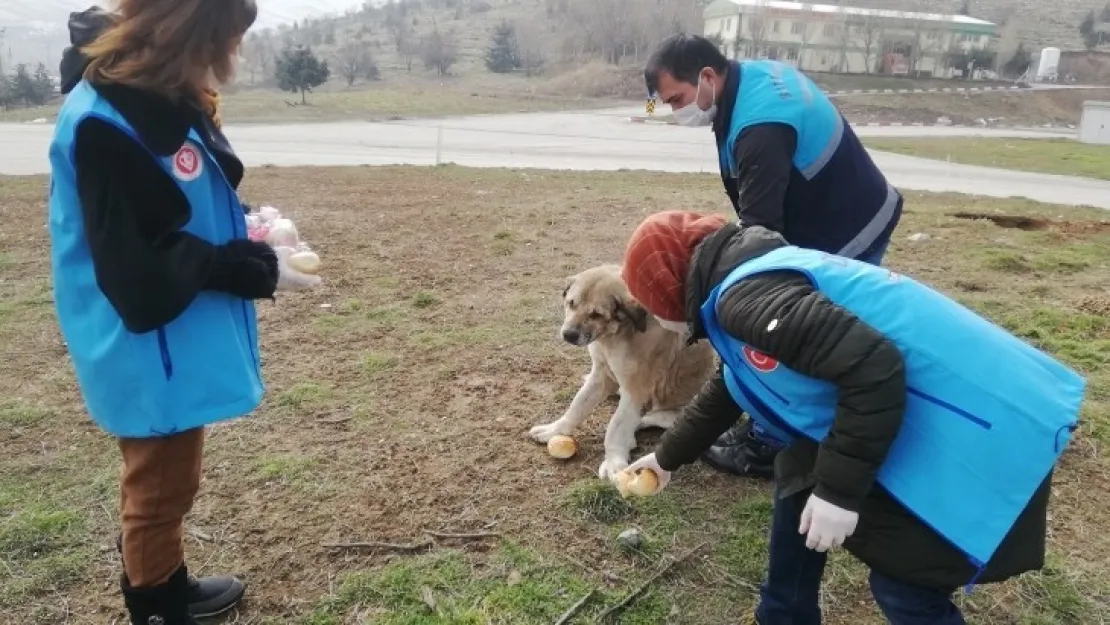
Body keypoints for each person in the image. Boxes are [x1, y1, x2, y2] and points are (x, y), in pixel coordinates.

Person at [618, 211, 1083, 624]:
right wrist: (666, 458)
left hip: (978, 428)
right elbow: (731, 387)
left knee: (905, 587)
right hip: (938, 411)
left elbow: (874, 368)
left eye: (650, 302)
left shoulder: (744, 298)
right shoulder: (748, 283)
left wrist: (840, 493)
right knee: (799, 469)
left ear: (666, 285)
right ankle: (784, 613)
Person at [49, 2, 318, 623]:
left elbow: (173, 199)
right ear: (190, 31)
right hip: (143, 338)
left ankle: (161, 574)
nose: (230, 54)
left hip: (165, 334)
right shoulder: (108, 122)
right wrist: (237, 266)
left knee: (167, 477)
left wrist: (249, 230)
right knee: (161, 484)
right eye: (227, 37)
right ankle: (158, 604)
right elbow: (135, 262)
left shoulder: (150, 90)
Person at [643, 34, 904, 478]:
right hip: (853, 202)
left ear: (707, 76)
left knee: (782, 328)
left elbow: (761, 241)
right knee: (802, 325)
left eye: (677, 99)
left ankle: (770, 439)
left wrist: (739, 308)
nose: (676, 111)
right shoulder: (751, 79)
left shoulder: (760, 128)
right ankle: (773, 413)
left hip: (846, 228)